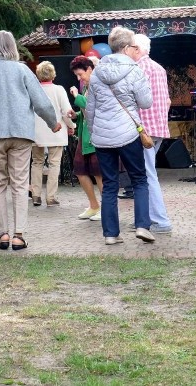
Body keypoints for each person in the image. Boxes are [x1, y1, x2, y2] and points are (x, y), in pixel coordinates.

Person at [0, 30, 60, 251]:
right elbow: (41, 103)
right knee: (19, 182)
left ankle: (3, 234)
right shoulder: (22, 70)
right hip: (21, 133)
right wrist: (52, 122)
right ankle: (19, 235)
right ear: (13, 47)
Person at [85, 26, 154, 245]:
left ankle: (110, 234)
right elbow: (146, 103)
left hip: (103, 137)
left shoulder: (97, 73)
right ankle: (142, 225)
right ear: (125, 48)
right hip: (127, 133)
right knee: (139, 179)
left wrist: (94, 131)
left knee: (110, 184)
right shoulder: (135, 71)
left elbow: (90, 109)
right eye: (134, 45)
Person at [134, 34, 174, 233]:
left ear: (137, 49)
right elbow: (166, 102)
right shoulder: (159, 68)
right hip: (158, 127)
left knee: (147, 175)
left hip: (143, 129)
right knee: (148, 173)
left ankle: (160, 220)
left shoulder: (137, 69)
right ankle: (149, 218)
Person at [30, 61, 75, 207]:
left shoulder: (33, 90)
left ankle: (36, 195)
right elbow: (66, 111)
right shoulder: (59, 89)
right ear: (53, 75)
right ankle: (51, 197)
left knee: (37, 162)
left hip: (36, 132)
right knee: (54, 164)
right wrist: (71, 126)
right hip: (56, 131)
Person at [69, 56, 104, 221]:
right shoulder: (86, 87)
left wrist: (77, 97)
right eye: (76, 75)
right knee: (80, 170)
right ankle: (93, 205)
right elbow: (85, 113)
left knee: (99, 174)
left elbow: (93, 108)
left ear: (90, 69)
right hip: (84, 136)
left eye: (80, 74)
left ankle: (107, 208)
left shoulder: (99, 86)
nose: (79, 78)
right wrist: (75, 115)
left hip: (97, 135)